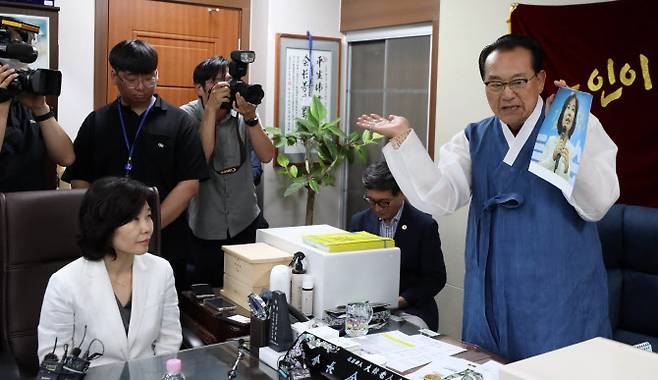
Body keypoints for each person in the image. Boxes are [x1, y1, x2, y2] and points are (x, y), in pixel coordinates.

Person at [357, 34, 619, 360]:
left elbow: (598, 204)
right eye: (494, 84)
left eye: (518, 81)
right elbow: (439, 199)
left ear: (540, 80)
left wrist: (563, 134)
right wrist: (403, 139)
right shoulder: (474, 137)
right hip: (490, 295)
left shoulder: (575, 124)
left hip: (558, 298)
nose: (506, 94)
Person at [62, 40, 208, 291]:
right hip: (106, 241)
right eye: (131, 79)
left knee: (165, 310)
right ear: (114, 76)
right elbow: (80, 180)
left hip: (166, 240)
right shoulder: (97, 122)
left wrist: (148, 228)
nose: (141, 86)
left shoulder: (179, 122)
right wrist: (106, 228)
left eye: (149, 78)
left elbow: (189, 184)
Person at [37, 177, 182, 367]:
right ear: (104, 225)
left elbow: (169, 340)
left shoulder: (161, 270)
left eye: (148, 216)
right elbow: (53, 357)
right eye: (133, 220)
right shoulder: (64, 282)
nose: (146, 228)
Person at [180, 56, 273, 287]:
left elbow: (267, 155)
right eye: (217, 82)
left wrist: (251, 117)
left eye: (228, 81)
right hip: (205, 225)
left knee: (249, 289)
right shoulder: (185, 117)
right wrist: (210, 111)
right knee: (208, 295)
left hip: (246, 219)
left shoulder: (241, 113)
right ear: (199, 88)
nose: (225, 88)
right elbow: (200, 160)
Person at [349, 160, 446, 331]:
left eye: (384, 202)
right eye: (371, 201)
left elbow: (435, 278)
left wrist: (399, 301)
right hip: (367, 308)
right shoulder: (360, 221)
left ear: (402, 193)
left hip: (411, 309)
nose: (377, 208)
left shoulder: (423, 225)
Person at [0, 33, 74, 192]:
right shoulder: (5, 104)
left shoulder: (29, 104)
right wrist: (2, 104)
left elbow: (66, 157)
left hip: (32, 204)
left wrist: (42, 109)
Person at [539, 93, 578, 180]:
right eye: (568, 108)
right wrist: (553, 156)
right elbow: (539, 167)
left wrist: (566, 169)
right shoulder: (551, 140)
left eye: (573, 109)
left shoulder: (572, 149)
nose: (569, 113)